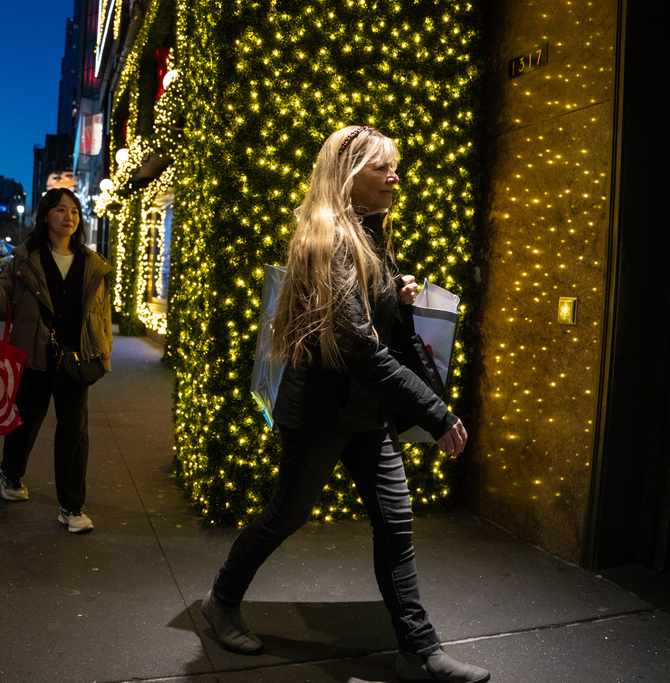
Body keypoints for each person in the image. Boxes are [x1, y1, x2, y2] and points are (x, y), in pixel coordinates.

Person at [200, 127, 491, 683]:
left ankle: (418, 650)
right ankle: (221, 600)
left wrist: (395, 297)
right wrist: (438, 413)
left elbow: (367, 324)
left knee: (396, 521)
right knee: (285, 514)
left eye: (395, 167)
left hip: (365, 411)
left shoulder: (368, 232)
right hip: (322, 413)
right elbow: (357, 349)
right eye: (383, 168)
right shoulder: (327, 238)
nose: (395, 177)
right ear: (346, 173)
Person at [0, 188, 112, 533]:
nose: (69, 217)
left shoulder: (92, 263)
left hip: (76, 359)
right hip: (33, 356)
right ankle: (10, 473)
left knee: (74, 432)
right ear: (46, 215)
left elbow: (101, 314)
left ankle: (72, 507)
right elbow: (3, 299)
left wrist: (102, 350)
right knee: (25, 423)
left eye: (75, 211)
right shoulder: (24, 259)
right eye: (61, 210)